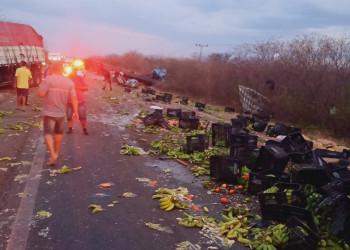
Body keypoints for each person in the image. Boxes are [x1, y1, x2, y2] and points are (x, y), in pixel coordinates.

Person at [38, 62, 78, 165]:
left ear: (52, 69)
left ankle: (52, 154)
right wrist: (75, 111)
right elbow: (74, 98)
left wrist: (41, 86)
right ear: (62, 70)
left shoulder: (48, 79)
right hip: (61, 113)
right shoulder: (69, 82)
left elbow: (41, 94)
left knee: (47, 133)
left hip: (49, 112)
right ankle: (56, 152)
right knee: (58, 133)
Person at [66, 70, 89, 135]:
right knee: (69, 116)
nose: (71, 73)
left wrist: (77, 88)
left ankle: (84, 129)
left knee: (82, 116)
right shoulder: (67, 79)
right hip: (69, 101)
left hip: (80, 101)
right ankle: (70, 129)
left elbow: (86, 87)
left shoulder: (81, 78)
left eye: (73, 72)